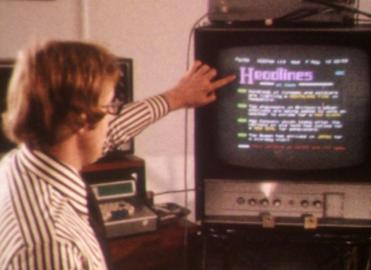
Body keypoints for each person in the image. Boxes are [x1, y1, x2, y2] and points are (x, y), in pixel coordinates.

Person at [0, 40, 235, 269]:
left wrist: (175, 97)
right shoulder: (53, 245)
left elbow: (111, 132)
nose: (113, 116)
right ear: (82, 119)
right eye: (111, 106)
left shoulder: (19, 163)